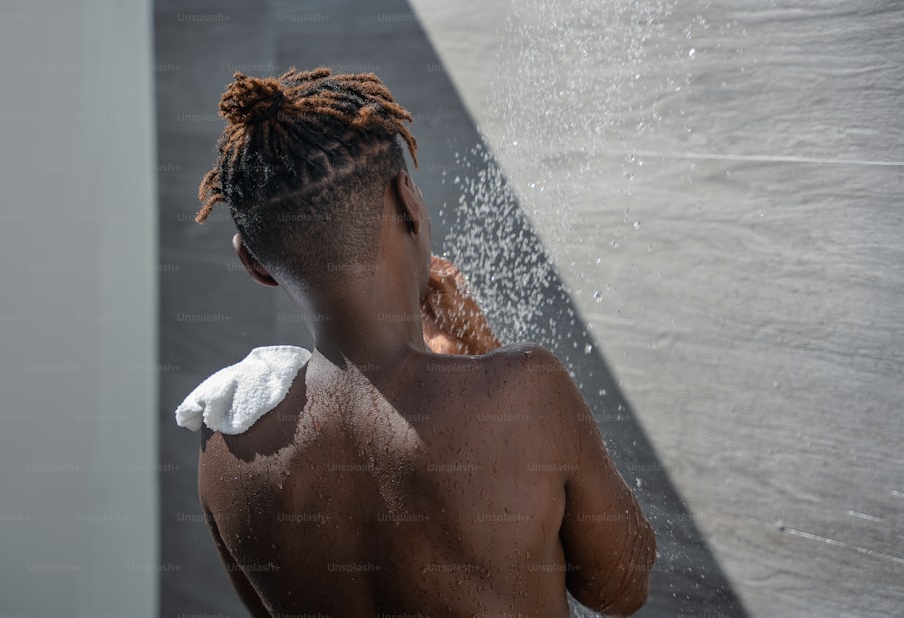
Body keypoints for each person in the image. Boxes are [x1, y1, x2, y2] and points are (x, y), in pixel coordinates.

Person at [179, 66, 656, 616]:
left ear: (253, 263)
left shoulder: (224, 454)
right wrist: (481, 348)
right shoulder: (523, 391)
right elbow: (622, 587)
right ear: (408, 198)